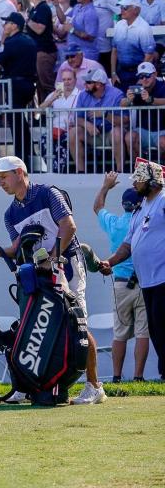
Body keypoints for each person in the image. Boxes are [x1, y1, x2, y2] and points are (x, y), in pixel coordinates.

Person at [0, 156, 106, 405]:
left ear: (20, 173)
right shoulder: (10, 214)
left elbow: (69, 227)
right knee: (33, 324)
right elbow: (14, 249)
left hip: (69, 264)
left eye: (4, 177)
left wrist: (54, 258)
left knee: (78, 323)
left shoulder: (48, 194)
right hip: (40, 272)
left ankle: (94, 386)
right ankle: (27, 384)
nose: (1, 183)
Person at [101, 160, 165, 381]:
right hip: (148, 281)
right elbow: (128, 245)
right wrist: (110, 262)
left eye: (139, 179)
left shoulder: (163, 200)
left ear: (153, 181)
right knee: (156, 330)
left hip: (162, 277)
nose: (135, 183)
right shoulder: (142, 207)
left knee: (161, 327)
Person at [93, 172, 148, 382]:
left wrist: (105, 187)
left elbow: (98, 208)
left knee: (120, 333)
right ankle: (138, 377)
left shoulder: (114, 223)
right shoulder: (144, 220)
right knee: (143, 332)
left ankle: (116, 376)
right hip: (143, 281)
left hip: (121, 284)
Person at [0, 12, 38, 168]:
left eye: (7, 23)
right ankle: (30, 151)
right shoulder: (30, 41)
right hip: (29, 85)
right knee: (21, 120)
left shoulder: (11, 42)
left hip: (15, 86)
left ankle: (21, 158)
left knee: (15, 121)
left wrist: (3, 42)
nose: (5, 26)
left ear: (15, 26)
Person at [70, 68, 126, 173]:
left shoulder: (117, 94)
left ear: (99, 84)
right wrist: (86, 124)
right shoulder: (83, 95)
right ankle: (80, 172)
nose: (85, 84)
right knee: (73, 132)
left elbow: (125, 121)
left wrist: (105, 114)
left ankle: (120, 171)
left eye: (89, 82)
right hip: (93, 134)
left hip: (111, 133)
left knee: (117, 132)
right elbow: (77, 118)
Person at [110, 0, 156, 89]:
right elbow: (114, 50)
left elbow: (149, 56)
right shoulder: (119, 25)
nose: (122, 10)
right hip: (121, 71)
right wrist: (113, 73)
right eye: (121, 7)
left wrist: (141, 77)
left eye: (125, 7)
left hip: (137, 72)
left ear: (136, 10)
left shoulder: (144, 28)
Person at [121, 61, 165, 157]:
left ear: (155, 74)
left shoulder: (162, 86)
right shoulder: (137, 88)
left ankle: (160, 170)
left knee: (163, 142)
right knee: (130, 137)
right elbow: (122, 104)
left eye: (147, 75)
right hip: (143, 131)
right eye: (141, 76)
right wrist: (128, 100)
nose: (144, 79)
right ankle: (139, 170)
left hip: (162, 130)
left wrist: (151, 100)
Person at [26, 0, 59, 103]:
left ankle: (56, 112)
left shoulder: (43, 8)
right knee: (40, 86)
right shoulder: (34, 9)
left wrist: (27, 21)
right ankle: (43, 115)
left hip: (44, 51)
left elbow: (40, 29)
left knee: (47, 84)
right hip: (36, 51)